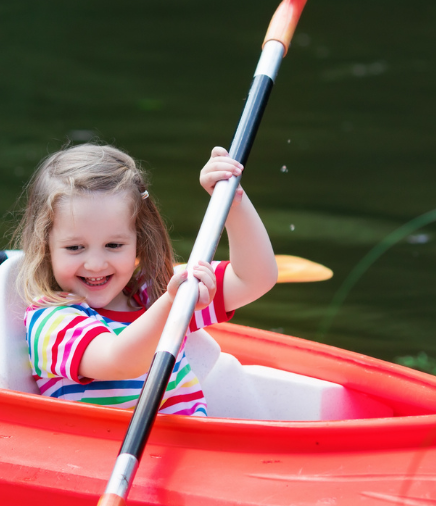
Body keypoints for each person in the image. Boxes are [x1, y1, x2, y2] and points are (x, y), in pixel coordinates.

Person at [15, 143, 277, 416]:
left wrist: (231, 202)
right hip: (103, 453)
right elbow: (119, 360)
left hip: (192, 448)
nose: (95, 264)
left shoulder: (154, 291)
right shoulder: (51, 321)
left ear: (139, 240)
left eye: (114, 245)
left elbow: (255, 279)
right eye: (74, 248)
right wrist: (172, 303)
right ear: (45, 247)